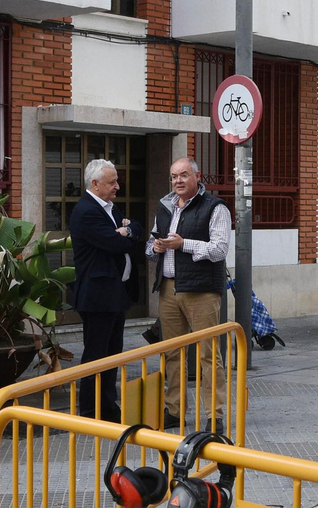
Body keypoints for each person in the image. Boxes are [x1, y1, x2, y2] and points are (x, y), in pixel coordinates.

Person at [146, 157, 230, 430]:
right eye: (174, 176)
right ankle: (175, 410)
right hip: (168, 289)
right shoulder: (165, 207)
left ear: (197, 176)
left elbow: (219, 250)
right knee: (172, 353)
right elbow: (149, 245)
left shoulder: (215, 207)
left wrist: (184, 244)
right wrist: (155, 248)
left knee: (209, 354)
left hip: (201, 291)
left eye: (183, 175)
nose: (178, 181)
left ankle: (214, 416)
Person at [68, 159, 144, 423]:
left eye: (116, 181)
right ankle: (90, 412)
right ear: (95, 184)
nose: (117, 186)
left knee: (112, 354)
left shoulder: (109, 207)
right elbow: (115, 244)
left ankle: (108, 408)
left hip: (115, 293)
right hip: (97, 296)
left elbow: (137, 228)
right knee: (96, 355)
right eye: (112, 182)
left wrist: (127, 230)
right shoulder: (87, 211)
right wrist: (124, 234)